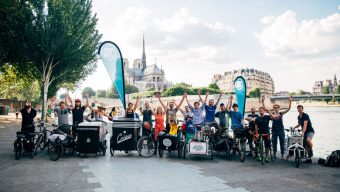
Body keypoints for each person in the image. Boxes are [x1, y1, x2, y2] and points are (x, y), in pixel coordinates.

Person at [262, 95, 292, 159]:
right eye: (275, 107)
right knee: (274, 142)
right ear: (273, 108)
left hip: (281, 130)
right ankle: (274, 154)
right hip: (274, 131)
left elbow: (288, 109)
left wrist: (290, 101)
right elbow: (265, 109)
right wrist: (263, 101)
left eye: (277, 107)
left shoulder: (281, 113)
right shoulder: (272, 114)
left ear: (279, 108)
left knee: (282, 143)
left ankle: (282, 155)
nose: (276, 108)